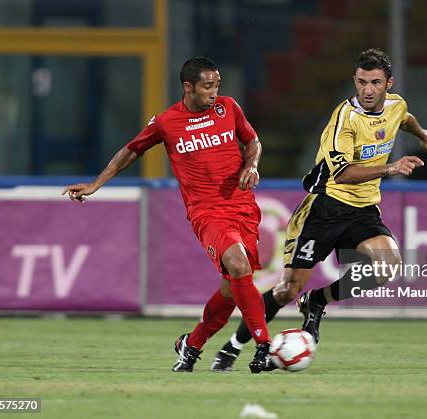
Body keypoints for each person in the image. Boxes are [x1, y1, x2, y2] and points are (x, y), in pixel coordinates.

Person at [210, 48, 427, 371]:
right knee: (288, 289)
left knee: (387, 266)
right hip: (324, 209)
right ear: (354, 82)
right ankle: (232, 348)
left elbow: (403, 118)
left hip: (362, 210)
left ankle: (318, 300)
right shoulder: (344, 120)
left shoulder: (396, 104)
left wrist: (422, 133)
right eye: (361, 82)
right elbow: (341, 173)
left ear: (389, 83)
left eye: (375, 82)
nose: (368, 90)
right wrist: (391, 168)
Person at [62, 57, 273, 373]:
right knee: (239, 265)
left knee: (233, 287)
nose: (214, 93)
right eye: (207, 86)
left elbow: (252, 141)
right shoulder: (167, 122)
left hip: (243, 207)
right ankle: (263, 347)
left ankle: (192, 344)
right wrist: (96, 184)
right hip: (207, 212)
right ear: (188, 87)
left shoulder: (229, 108)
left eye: (216, 85)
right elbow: (130, 151)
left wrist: (251, 165)